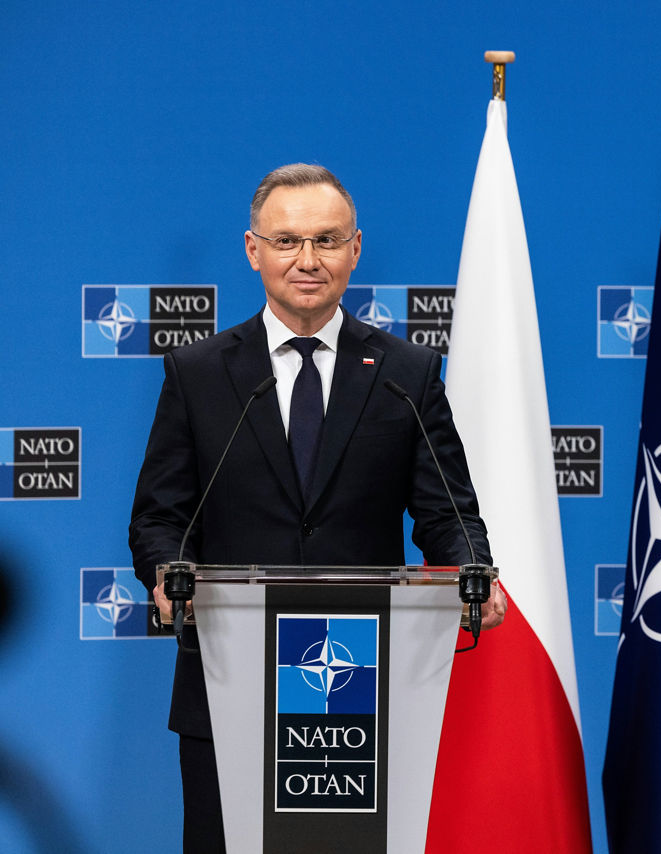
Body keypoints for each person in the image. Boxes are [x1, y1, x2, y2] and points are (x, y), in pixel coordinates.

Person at [129, 163, 506, 853]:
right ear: (253, 250)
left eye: (327, 240)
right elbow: (160, 516)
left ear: (355, 249)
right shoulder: (199, 371)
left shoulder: (406, 373)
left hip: (361, 689)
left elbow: (448, 511)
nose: (307, 260)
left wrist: (474, 569)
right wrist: (166, 573)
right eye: (287, 241)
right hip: (228, 681)